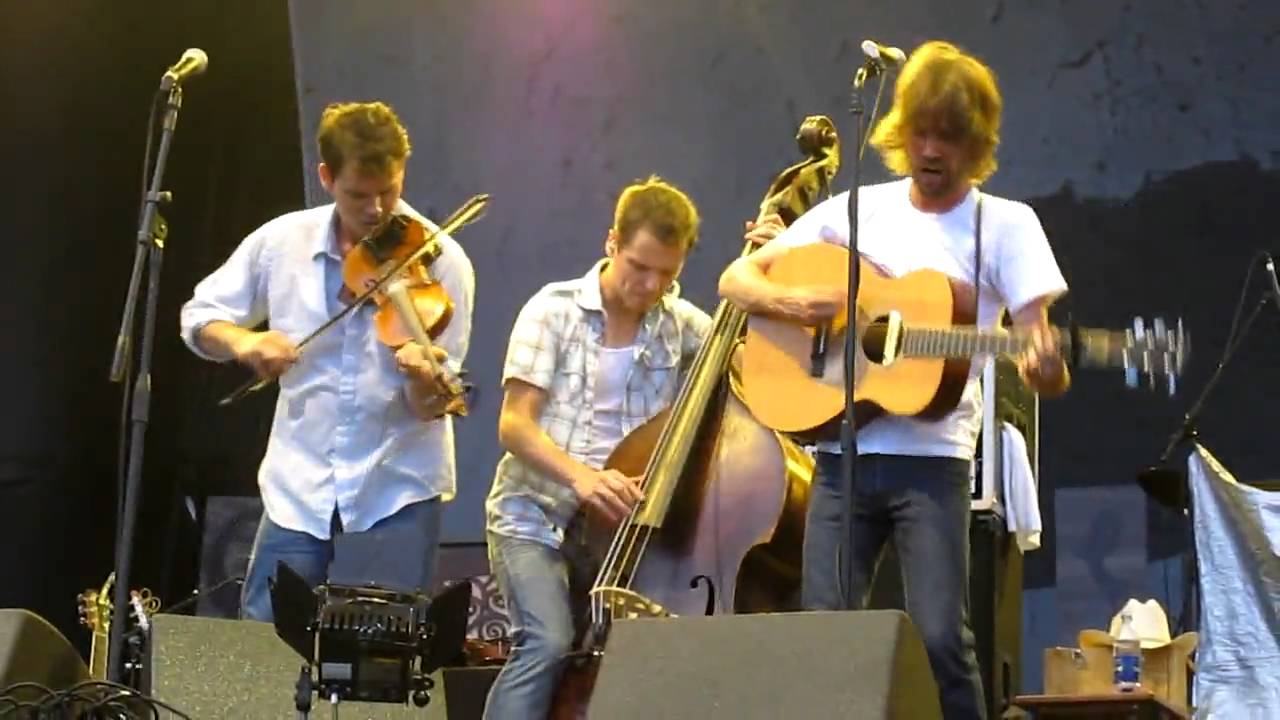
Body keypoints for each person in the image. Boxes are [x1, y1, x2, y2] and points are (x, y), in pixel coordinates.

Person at [718, 41, 1069, 719]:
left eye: (950, 137)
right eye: (922, 132)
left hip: (932, 465)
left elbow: (1039, 357)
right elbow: (736, 279)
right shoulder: (857, 213)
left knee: (940, 637)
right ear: (900, 131)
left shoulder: (1005, 226)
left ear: (976, 144)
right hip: (841, 459)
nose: (932, 150)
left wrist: (1046, 366)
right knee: (827, 634)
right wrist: (794, 305)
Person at [481, 175, 781, 719]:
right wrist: (583, 478)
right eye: (638, 267)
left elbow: (749, 375)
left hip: (627, 536)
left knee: (647, 658)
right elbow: (514, 426)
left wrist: (765, 271)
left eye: (666, 274)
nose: (649, 286)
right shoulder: (551, 311)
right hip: (534, 518)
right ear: (611, 243)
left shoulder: (686, 326)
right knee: (547, 642)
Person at [179, 101, 474, 622]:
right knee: (263, 645)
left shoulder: (440, 259)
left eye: (390, 191)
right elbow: (200, 316)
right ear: (326, 177)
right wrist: (246, 344)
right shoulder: (281, 241)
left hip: (396, 484)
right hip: (299, 482)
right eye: (359, 195)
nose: (378, 211)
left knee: (380, 658)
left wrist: (422, 380)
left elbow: (431, 406)